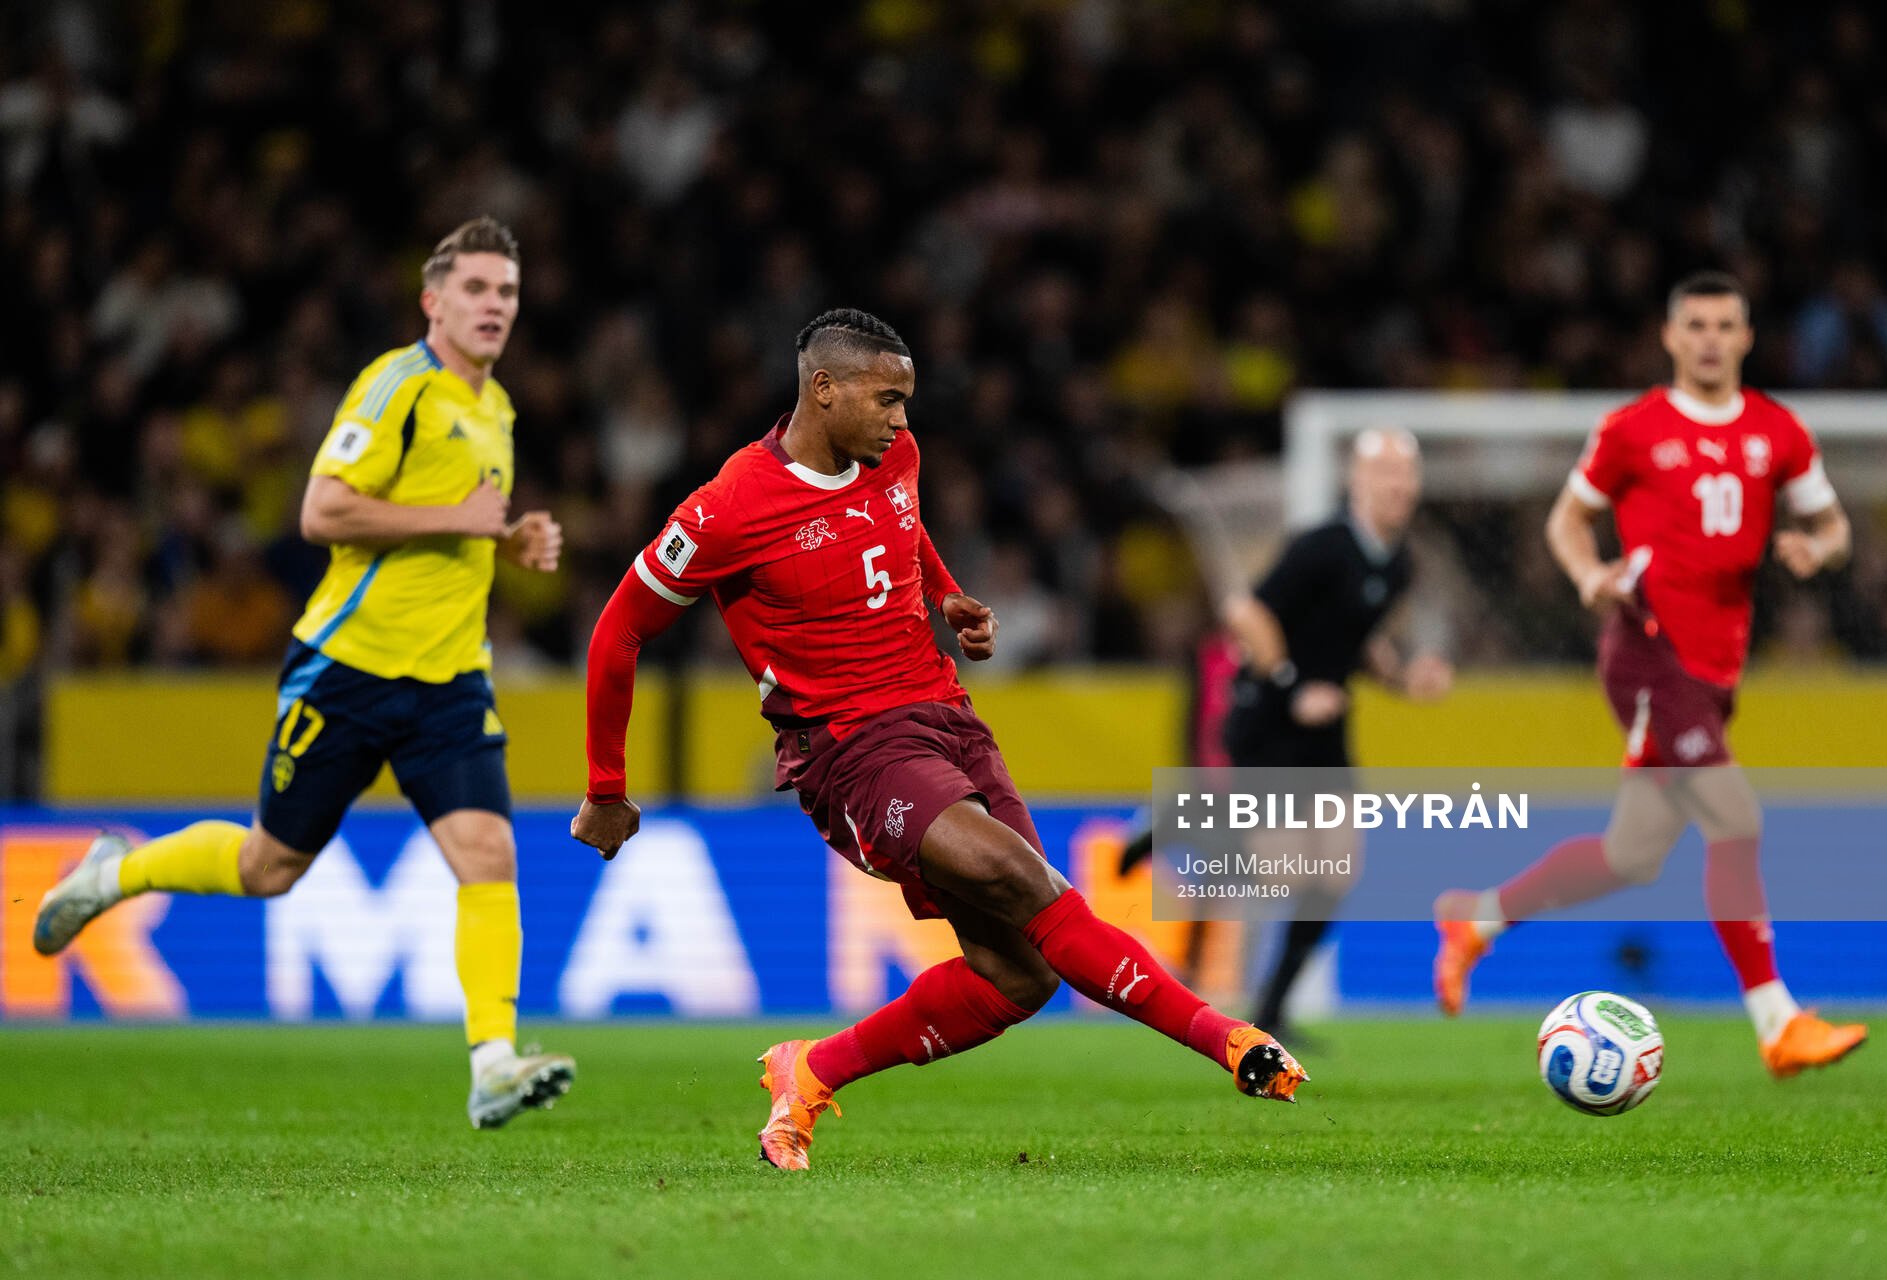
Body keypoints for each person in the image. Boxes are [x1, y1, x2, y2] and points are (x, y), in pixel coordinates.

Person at [571, 308, 1308, 1172]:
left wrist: (947, 594)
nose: (902, 420)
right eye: (887, 399)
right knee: (1023, 877)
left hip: (947, 718)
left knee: (1019, 975)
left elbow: (901, 531)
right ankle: (1229, 1041)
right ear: (824, 389)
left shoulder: (897, 458)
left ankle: (812, 1069)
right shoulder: (731, 507)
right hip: (850, 750)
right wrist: (607, 785)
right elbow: (617, 631)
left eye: (908, 401)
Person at [34, 218, 576, 1128]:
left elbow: (459, 526)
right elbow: (323, 511)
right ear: (432, 300)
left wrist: (509, 538)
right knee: (267, 865)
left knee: (489, 855)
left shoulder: (497, 408)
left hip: (449, 682)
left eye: (508, 293)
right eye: (477, 289)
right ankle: (116, 871)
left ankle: (492, 1062)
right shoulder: (398, 385)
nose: (495, 307)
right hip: (349, 670)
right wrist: (460, 518)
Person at [1432, 271, 1868, 1079]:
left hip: (1714, 672)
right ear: (1670, 337)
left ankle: (1477, 921)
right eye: (1694, 324)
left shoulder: (1777, 432)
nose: (1709, 338)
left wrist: (1819, 549)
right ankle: (1779, 1022)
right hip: (1647, 652)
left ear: (1745, 336)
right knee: (1735, 818)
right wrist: (1587, 573)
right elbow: (1568, 519)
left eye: (1724, 325)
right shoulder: (1632, 429)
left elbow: (1833, 523)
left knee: (1629, 855)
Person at [1217, 428, 1452, 1039]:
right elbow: (1247, 612)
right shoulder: (1322, 545)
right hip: (1269, 717)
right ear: (1357, 481)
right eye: (1386, 473)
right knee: (1281, 873)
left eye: (1407, 475)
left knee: (1338, 872)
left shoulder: (1398, 562)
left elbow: (1359, 637)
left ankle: (1271, 1009)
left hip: (1327, 725)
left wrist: (1403, 679)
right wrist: (1294, 685)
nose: (1398, 486)